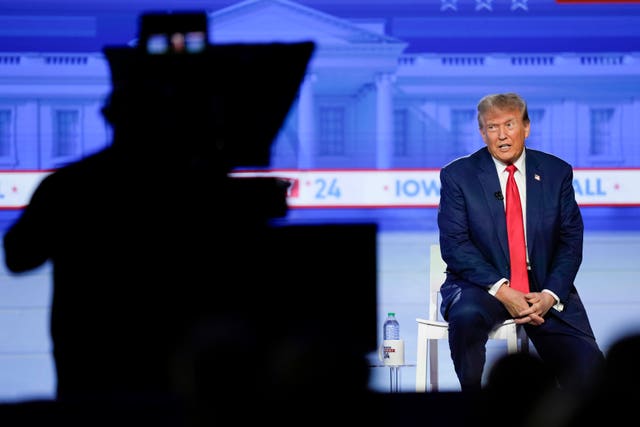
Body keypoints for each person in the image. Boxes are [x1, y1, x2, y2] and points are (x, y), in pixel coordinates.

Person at [437, 92, 605, 393]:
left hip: (543, 290)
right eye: (492, 127)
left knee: (590, 370)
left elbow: (570, 242)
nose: (501, 135)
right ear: (481, 132)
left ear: (526, 127)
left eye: (509, 125)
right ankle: (472, 406)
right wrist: (503, 290)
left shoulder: (556, 173)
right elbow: (455, 245)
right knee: (465, 319)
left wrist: (550, 294)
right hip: (483, 287)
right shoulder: (458, 176)